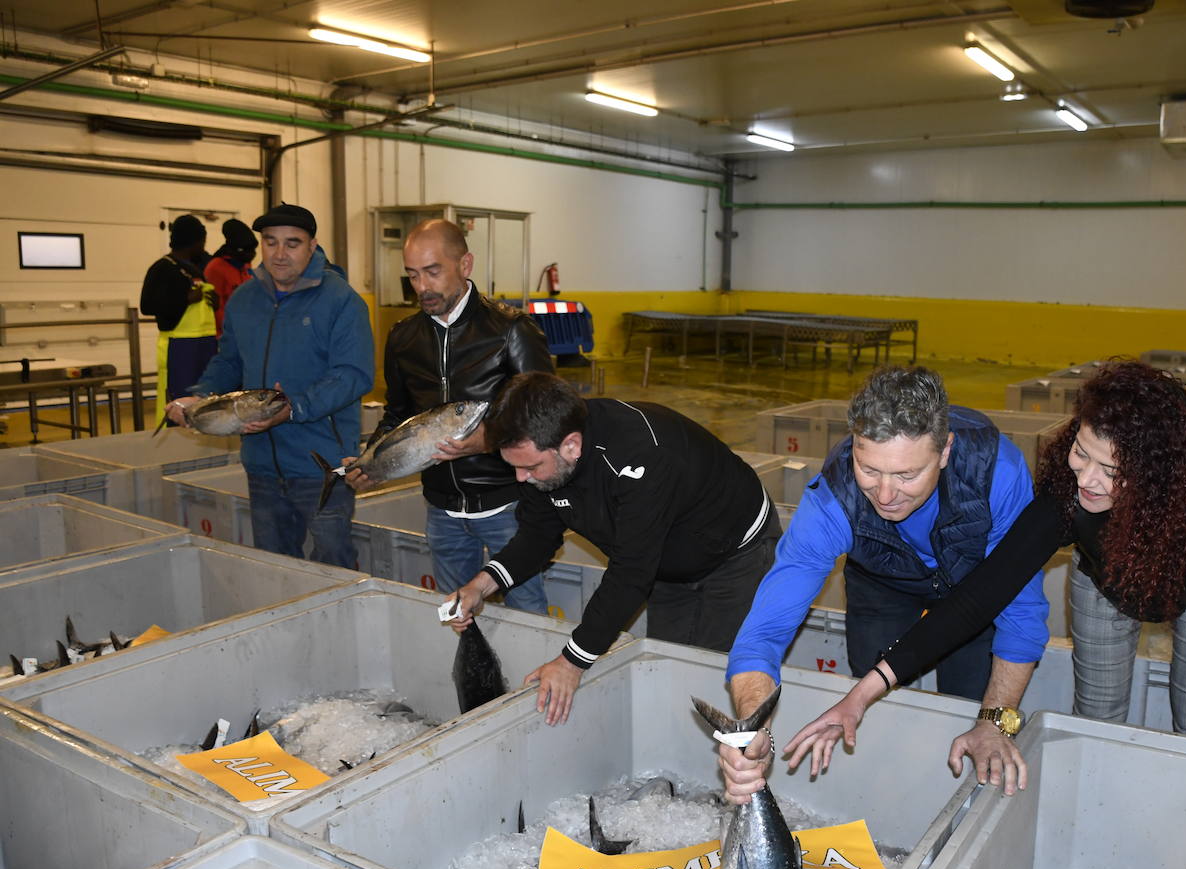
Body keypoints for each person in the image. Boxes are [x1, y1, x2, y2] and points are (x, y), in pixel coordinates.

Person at [757, 360, 1186, 801]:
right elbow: (976, 602)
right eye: (1082, 453)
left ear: (1160, 471)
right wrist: (862, 694)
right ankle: (1095, 806)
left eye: (1113, 471)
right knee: (1096, 715)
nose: (1087, 480)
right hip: (1109, 577)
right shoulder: (1065, 499)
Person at [718, 365, 1049, 802]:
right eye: (869, 469)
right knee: (869, 698)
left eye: (907, 475)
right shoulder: (834, 499)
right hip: (881, 585)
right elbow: (764, 630)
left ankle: (955, 804)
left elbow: (1022, 611)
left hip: (977, 589)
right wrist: (752, 726)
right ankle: (892, 793)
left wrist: (993, 722)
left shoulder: (995, 473)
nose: (886, 494)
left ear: (945, 450)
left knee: (971, 704)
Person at [444, 371, 782, 726]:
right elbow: (536, 537)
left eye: (529, 467)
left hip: (736, 551)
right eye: (513, 466)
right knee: (670, 669)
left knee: (713, 670)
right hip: (666, 559)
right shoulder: (541, 458)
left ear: (571, 445)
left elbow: (630, 573)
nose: (520, 478)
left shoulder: (642, 455)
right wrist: (480, 586)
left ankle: (736, 759)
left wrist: (572, 662)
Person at [345, 218, 552, 610]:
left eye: (433, 271)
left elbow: (545, 416)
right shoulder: (403, 337)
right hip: (442, 510)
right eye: (412, 275)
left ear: (465, 265)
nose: (422, 287)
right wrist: (372, 460)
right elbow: (398, 415)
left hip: (509, 507)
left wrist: (486, 441)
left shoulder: (512, 331)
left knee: (528, 611)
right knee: (457, 615)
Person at [165, 203, 374, 569]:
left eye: (292, 243)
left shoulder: (342, 301)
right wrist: (199, 398)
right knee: (275, 568)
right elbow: (229, 360)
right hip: (261, 464)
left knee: (334, 564)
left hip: (320, 465)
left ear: (312, 246)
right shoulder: (245, 299)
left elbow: (353, 374)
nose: (280, 254)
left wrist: (294, 408)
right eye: (270, 242)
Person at [140, 214, 217, 415]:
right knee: (178, 402)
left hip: (205, 344)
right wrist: (185, 299)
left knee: (203, 402)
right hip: (178, 346)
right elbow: (147, 306)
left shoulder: (196, 268)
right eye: (202, 240)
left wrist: (214, 302)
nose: (204, 246)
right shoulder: (162, 268)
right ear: (194, 241)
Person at [204, 218, 257, 336]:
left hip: (244, 333)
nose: (252, 255)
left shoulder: (245, 266)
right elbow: (216, 308)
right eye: (248, 251)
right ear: (235, 250)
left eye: (253, 250)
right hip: (224, 336)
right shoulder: (215, 268)